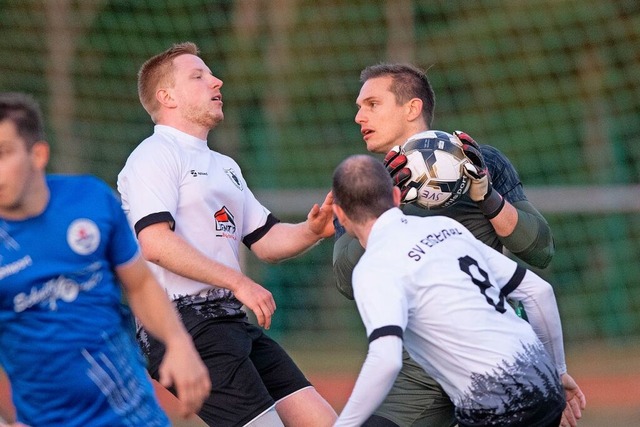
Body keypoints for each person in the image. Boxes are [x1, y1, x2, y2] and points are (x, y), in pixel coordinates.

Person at [333, 63, 585, 426]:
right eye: (359, 107)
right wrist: (385, 204)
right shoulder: (365, 181)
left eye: (371, 104)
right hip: (417, 369)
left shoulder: (483, 162)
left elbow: (540, 250)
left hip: (490, 356)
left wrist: (488, 197)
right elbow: (346, 280)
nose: (359, 116)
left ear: (412, 108)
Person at [117, 42, 338, 427]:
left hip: (229, 319)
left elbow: (267, 241)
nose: (216, 80)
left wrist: (312, 230)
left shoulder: (225, 165)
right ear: (165, 96)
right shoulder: (154, 154)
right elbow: (154, 243)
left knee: (323, 421)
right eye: (198, 76)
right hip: (181, 325)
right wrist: (240, 282)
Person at [0, 92, 211, 427]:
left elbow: (139, 282)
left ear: (37, 154)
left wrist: (178, 343)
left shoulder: (90, 200)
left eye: (3, 153)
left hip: (136, 415)